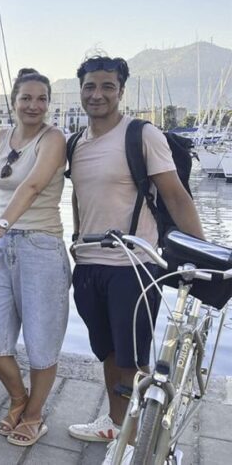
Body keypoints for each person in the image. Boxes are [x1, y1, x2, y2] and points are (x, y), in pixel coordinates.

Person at [65, 55, 204, 461]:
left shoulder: (141, 135)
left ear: (121, 91)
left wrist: (202, 253)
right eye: (90, 86)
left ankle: (134, 444)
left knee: (133, 359)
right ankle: (114, 421)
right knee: (107, 352)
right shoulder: (77, 142)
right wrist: (76, 241)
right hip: (89, 265)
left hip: (133, 266)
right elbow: (78, 196)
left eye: (108, 87)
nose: (98, 94)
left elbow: (176, 196)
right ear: (81, 91)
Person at [0, 69, 70, 447]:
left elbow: (32, 185)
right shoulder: (0, 138)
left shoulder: (54, 138)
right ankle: (18, 398)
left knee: (42, 341)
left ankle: (32, 415)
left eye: (41, 98)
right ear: (14, 101)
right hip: (0, 246)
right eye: (26, 98)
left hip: (41, 245)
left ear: (48, 103)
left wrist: (2, 224)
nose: (34, 105)